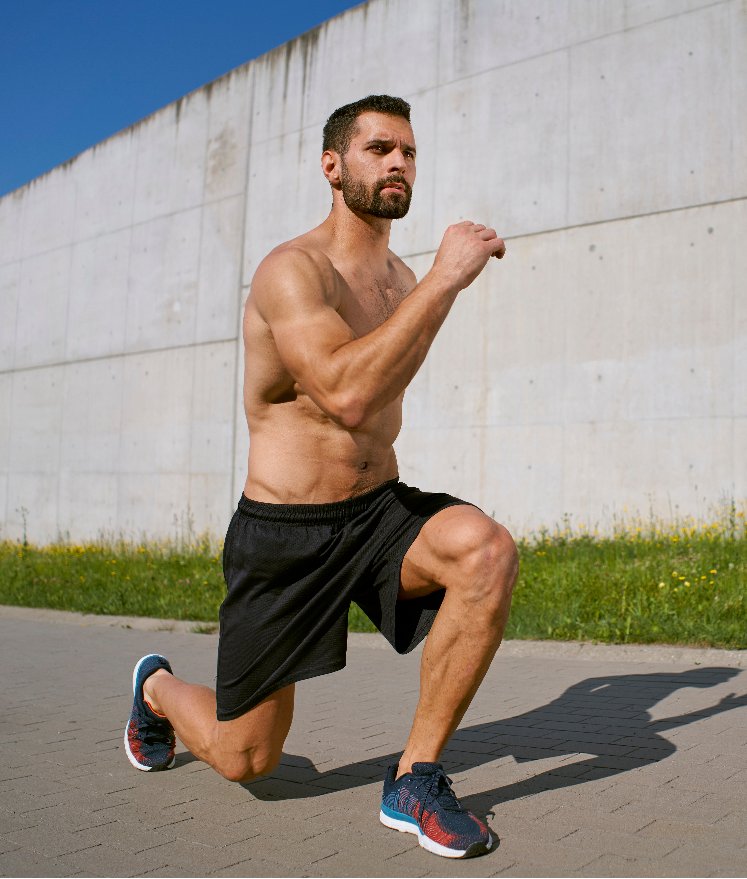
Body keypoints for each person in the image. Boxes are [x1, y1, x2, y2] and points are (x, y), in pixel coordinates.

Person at [122, 95, 517, 859]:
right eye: (378, 149)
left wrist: (431, 281)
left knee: (486, 549)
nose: (397, 163)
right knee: (248, 758)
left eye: (407, 151)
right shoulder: (291, 270)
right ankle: (155, 689)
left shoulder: (402, 277)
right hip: (286, 534)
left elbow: (375, 410)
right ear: (333, 167)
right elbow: (346, 393)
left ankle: (415, 776)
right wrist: (447, 279)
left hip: (374, 515)